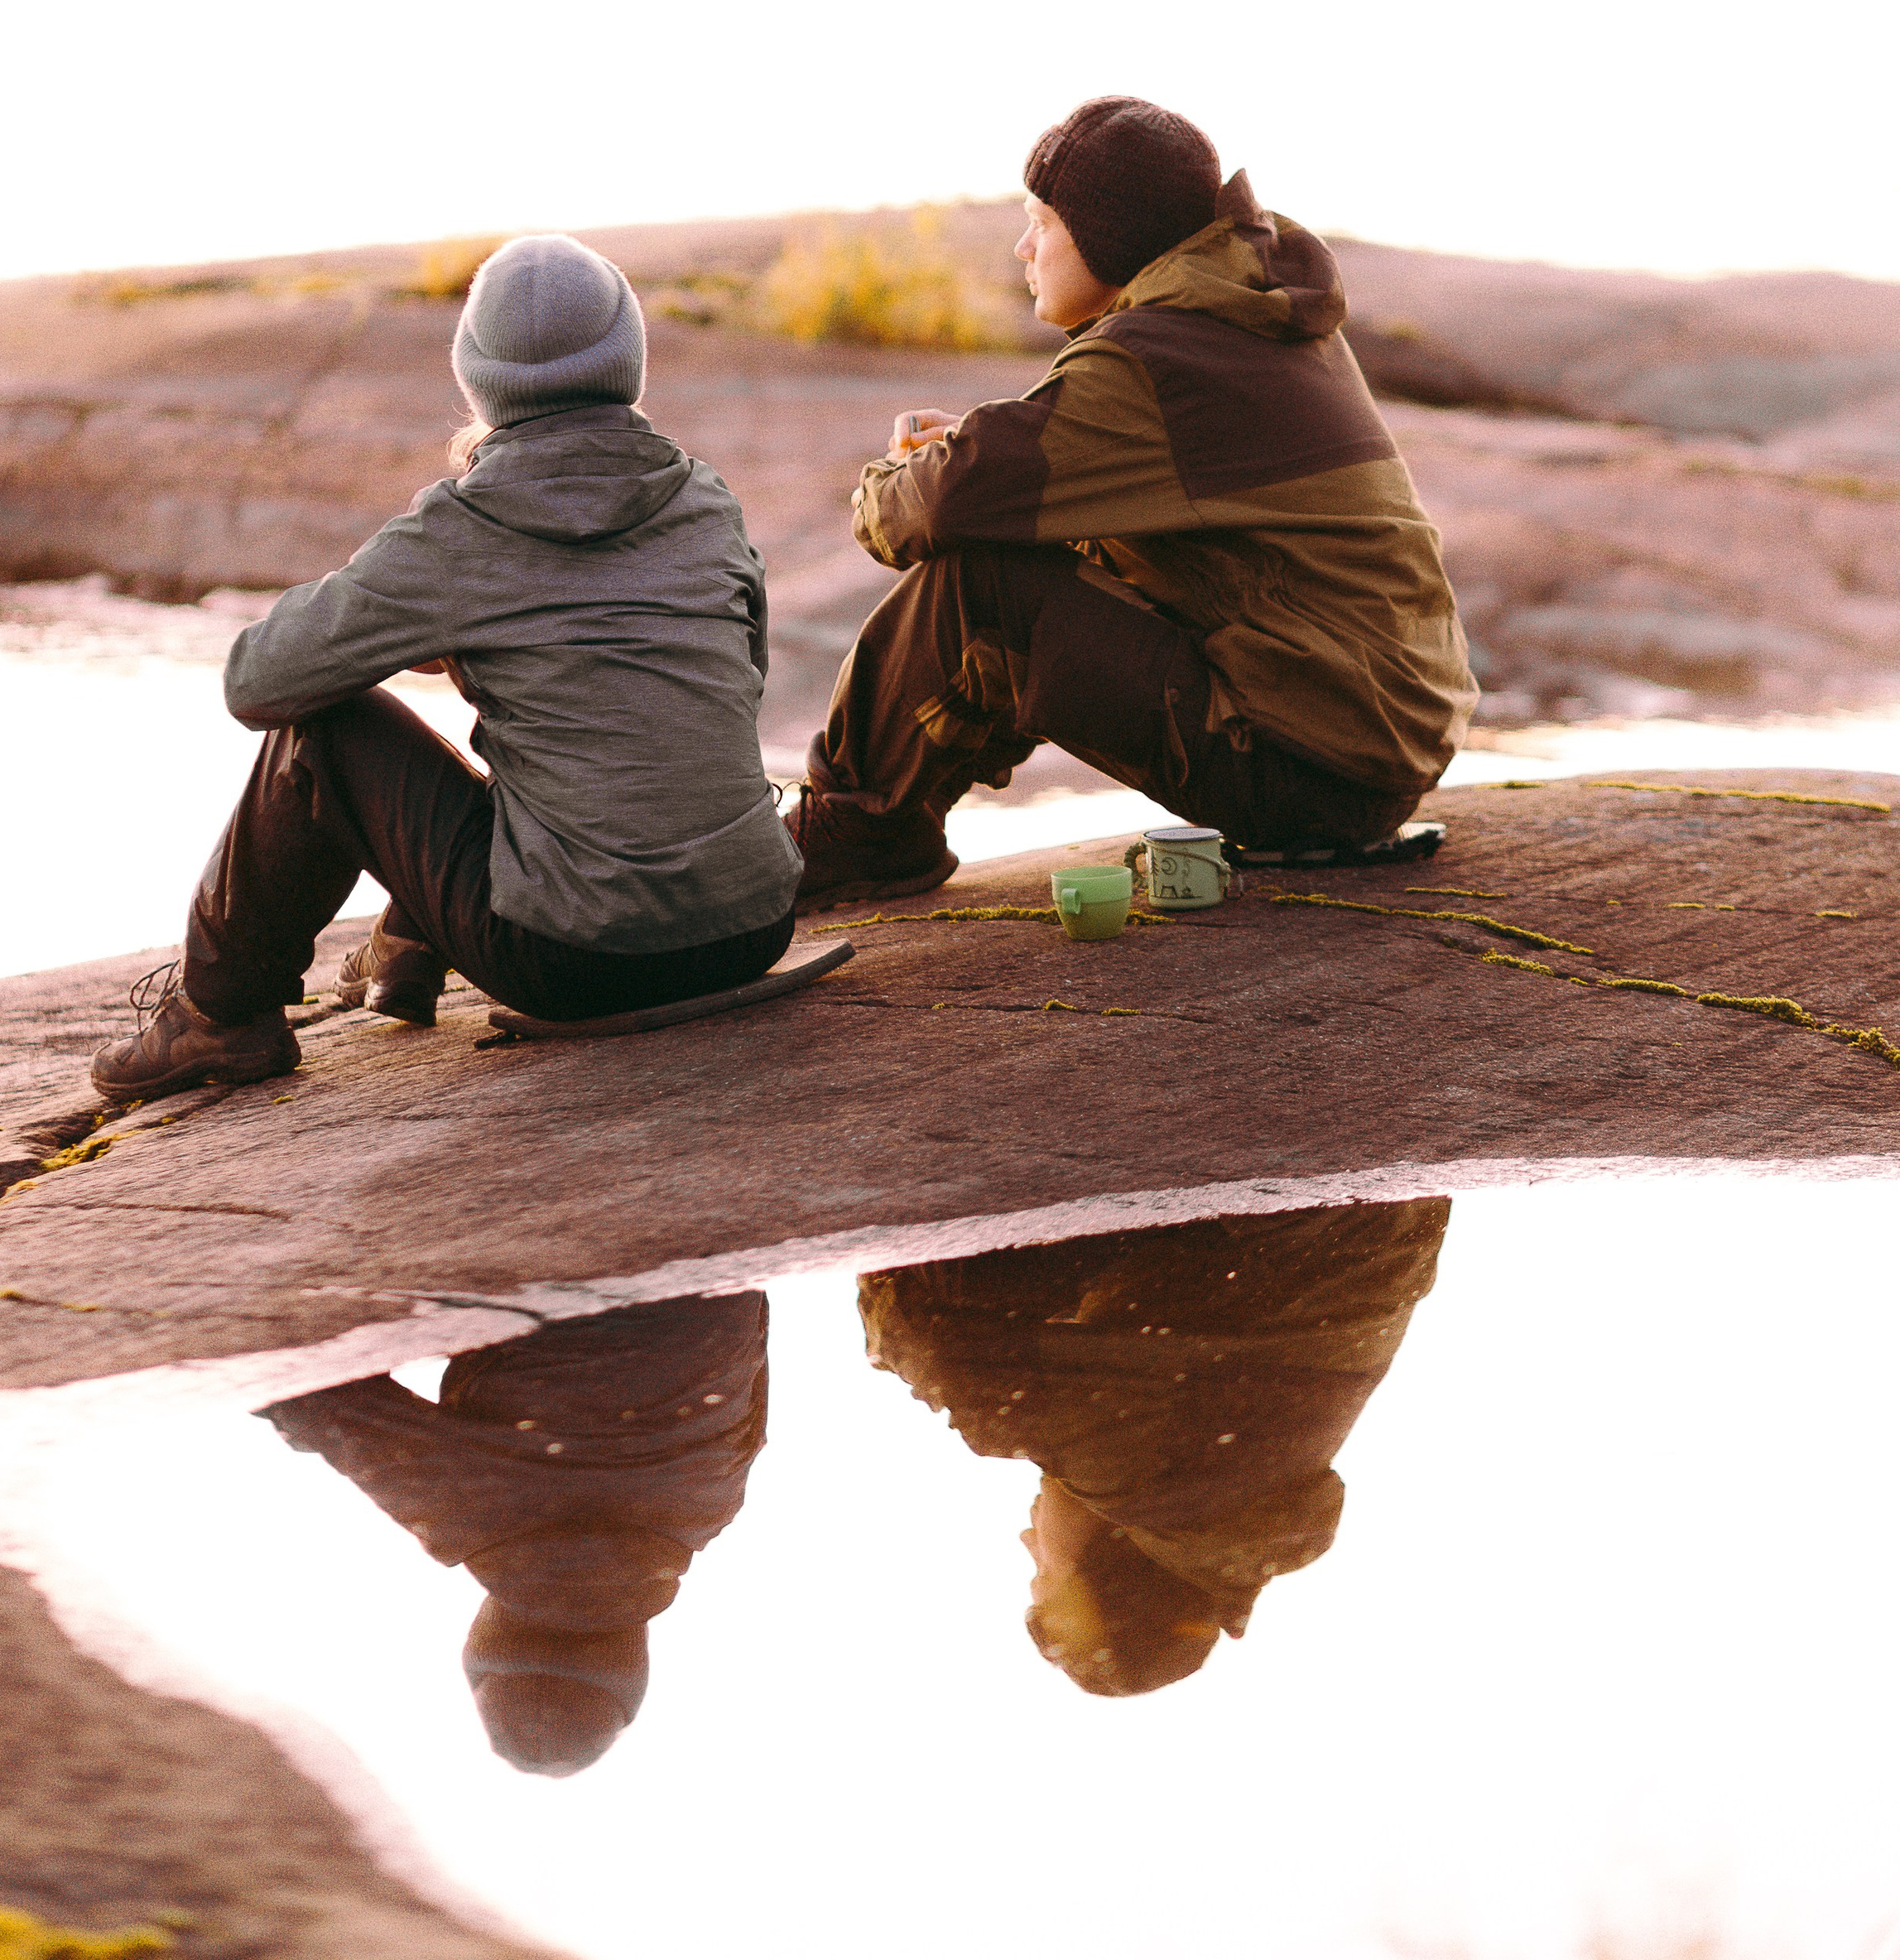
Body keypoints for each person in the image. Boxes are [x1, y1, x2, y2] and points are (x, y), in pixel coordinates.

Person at [91, 234, 801, 1101]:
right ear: (629, 361)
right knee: (556, 756)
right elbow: (737, 678)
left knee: (325, 730)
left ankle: (219, 1014)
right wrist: (486, 639)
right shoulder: (705, 496)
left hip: (577, 959)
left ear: (478, 374)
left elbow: (259, 680)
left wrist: (435, 625)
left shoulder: (464, 528)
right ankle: (406, 948)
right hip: (753, 920)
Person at [787, 94, 1477, 909]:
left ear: (1106, 235)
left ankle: (854, 831)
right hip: (1365, 753)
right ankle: (878, 823)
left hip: (1311, 772)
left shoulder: (1152, 359)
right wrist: (988, 454)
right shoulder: (1247, 316)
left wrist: (890, 476)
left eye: (1040, 223)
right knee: (1034, 533)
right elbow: (1116, 457)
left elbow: (927, 510)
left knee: (983, 585)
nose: (1022, 247)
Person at [859, 1200, 1450, 1695]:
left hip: (1370, 1213)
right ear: (1108, 1568)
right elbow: (944, 1357)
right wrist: (881, 1321)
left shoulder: (1232, 1513)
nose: (1027, 1539)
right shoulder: (1161, 1488)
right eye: (1043, 1566)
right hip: (1294, 1201)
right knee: (962, 1279)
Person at [265, 1292, 768, 1775]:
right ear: (489, 1644)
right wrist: (302, 1432)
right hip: (574, 1261)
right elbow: (309, 1392)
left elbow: (752, 1338)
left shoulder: (711, 1504)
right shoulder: (468, 1513)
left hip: (706, 1279)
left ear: (635, 1659)